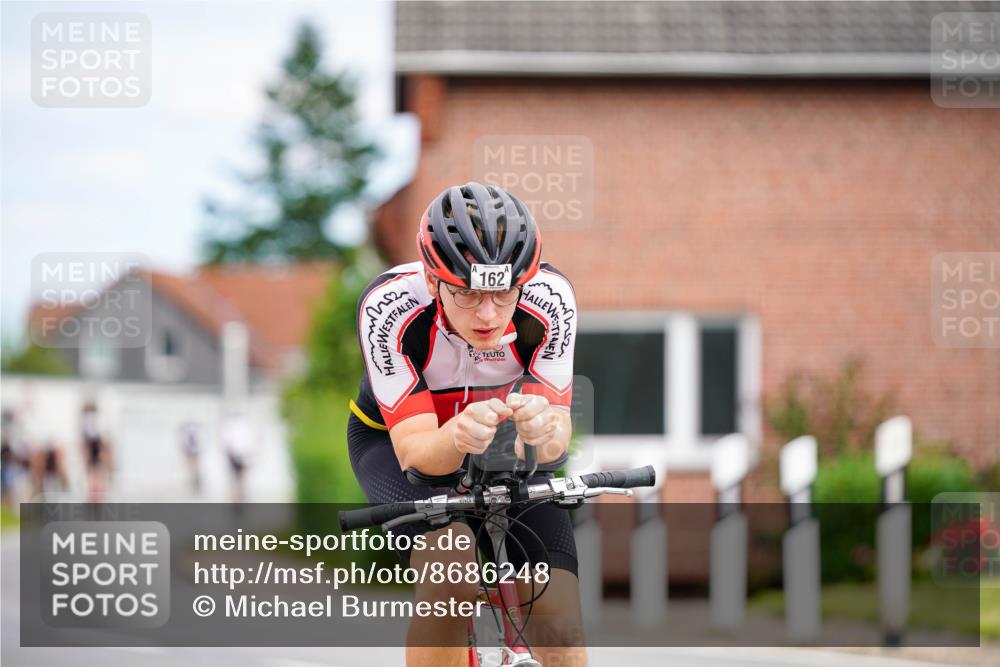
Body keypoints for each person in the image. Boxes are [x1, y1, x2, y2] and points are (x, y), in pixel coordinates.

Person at [348, 183, 584, 667]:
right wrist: (455, 435)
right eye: (468, 293)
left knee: (558, 616)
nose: (489, 313)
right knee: (450, 571)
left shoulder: (551, 299)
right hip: (396, 444)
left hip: (504, 441)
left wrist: (544, 431)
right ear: (434, 282)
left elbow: (557, 437)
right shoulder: (389, 308)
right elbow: (416, 454)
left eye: (503, 293)